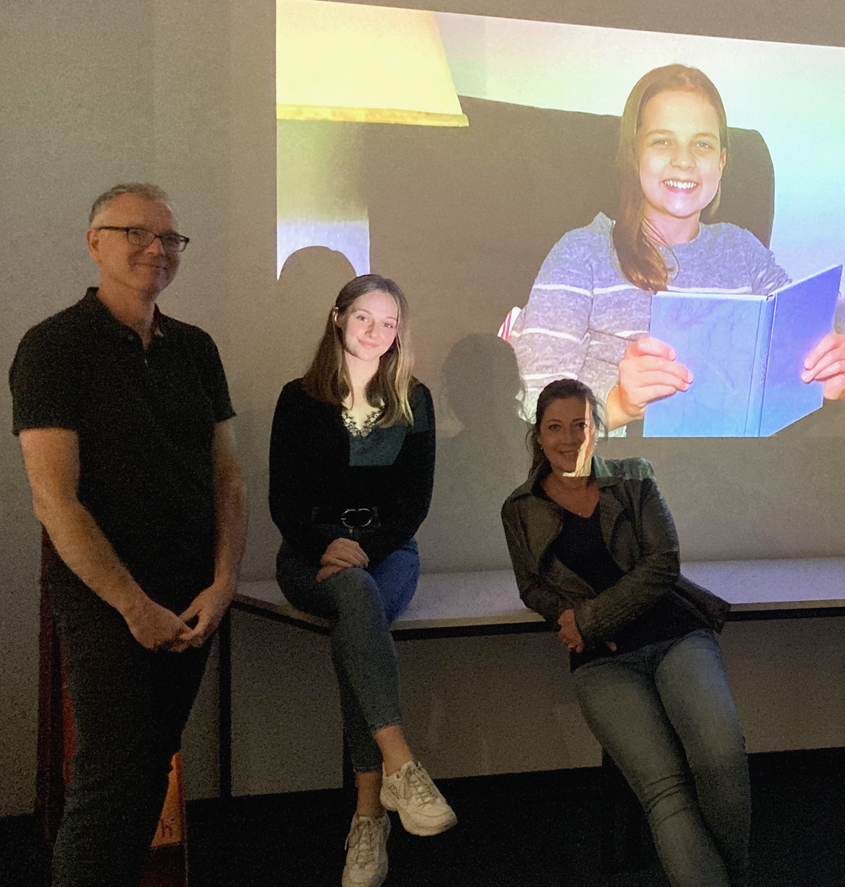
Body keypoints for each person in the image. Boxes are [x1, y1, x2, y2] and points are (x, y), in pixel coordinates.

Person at [11, 182, 247, 885]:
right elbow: (55, 500)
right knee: (110, 779)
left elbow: (227, 479)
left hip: (192, 596)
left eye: (169, 238)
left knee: (148, 770)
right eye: (136, 233)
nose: (156, 249)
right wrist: (132, 605)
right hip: (106, 598)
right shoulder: (53, 347)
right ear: (95, 243)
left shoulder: (195, 348)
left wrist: (223, 582)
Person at [501, 379, 750, 887]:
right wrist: (566, 617)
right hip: (602, 662)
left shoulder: (636, 478)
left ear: (597, 428)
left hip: (676, 635)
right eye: (555, 427)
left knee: (722, 758)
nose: (569, 438)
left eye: (580, 425)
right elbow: (531, 587)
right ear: (538, 435)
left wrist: (590, 620)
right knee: (666, 791)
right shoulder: (519, 508)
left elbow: (663, 562)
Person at [510, 63, 845, 429]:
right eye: (662, 141)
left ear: (721, 162)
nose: (684, 160)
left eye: (702, 144)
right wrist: (621, 404)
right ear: (635, 155)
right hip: (628, 457)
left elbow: (807, 381)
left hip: (742, 453)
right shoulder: (582, 254)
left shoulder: (745, 254)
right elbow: (536, 410)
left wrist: (839, 382)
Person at [269, 274, 455, 887]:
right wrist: (327, 544)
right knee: (357, 599)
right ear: (338, 318)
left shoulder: (413, 398)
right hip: (308, 551)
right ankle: (400, 765)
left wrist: (363, 548)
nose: (377, 332)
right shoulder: (298, 399)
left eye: (389, 323)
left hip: (389, 550)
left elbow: (414, 504)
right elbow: (283, 502)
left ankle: (369, 816)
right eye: (364, 318)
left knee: (358, 606)